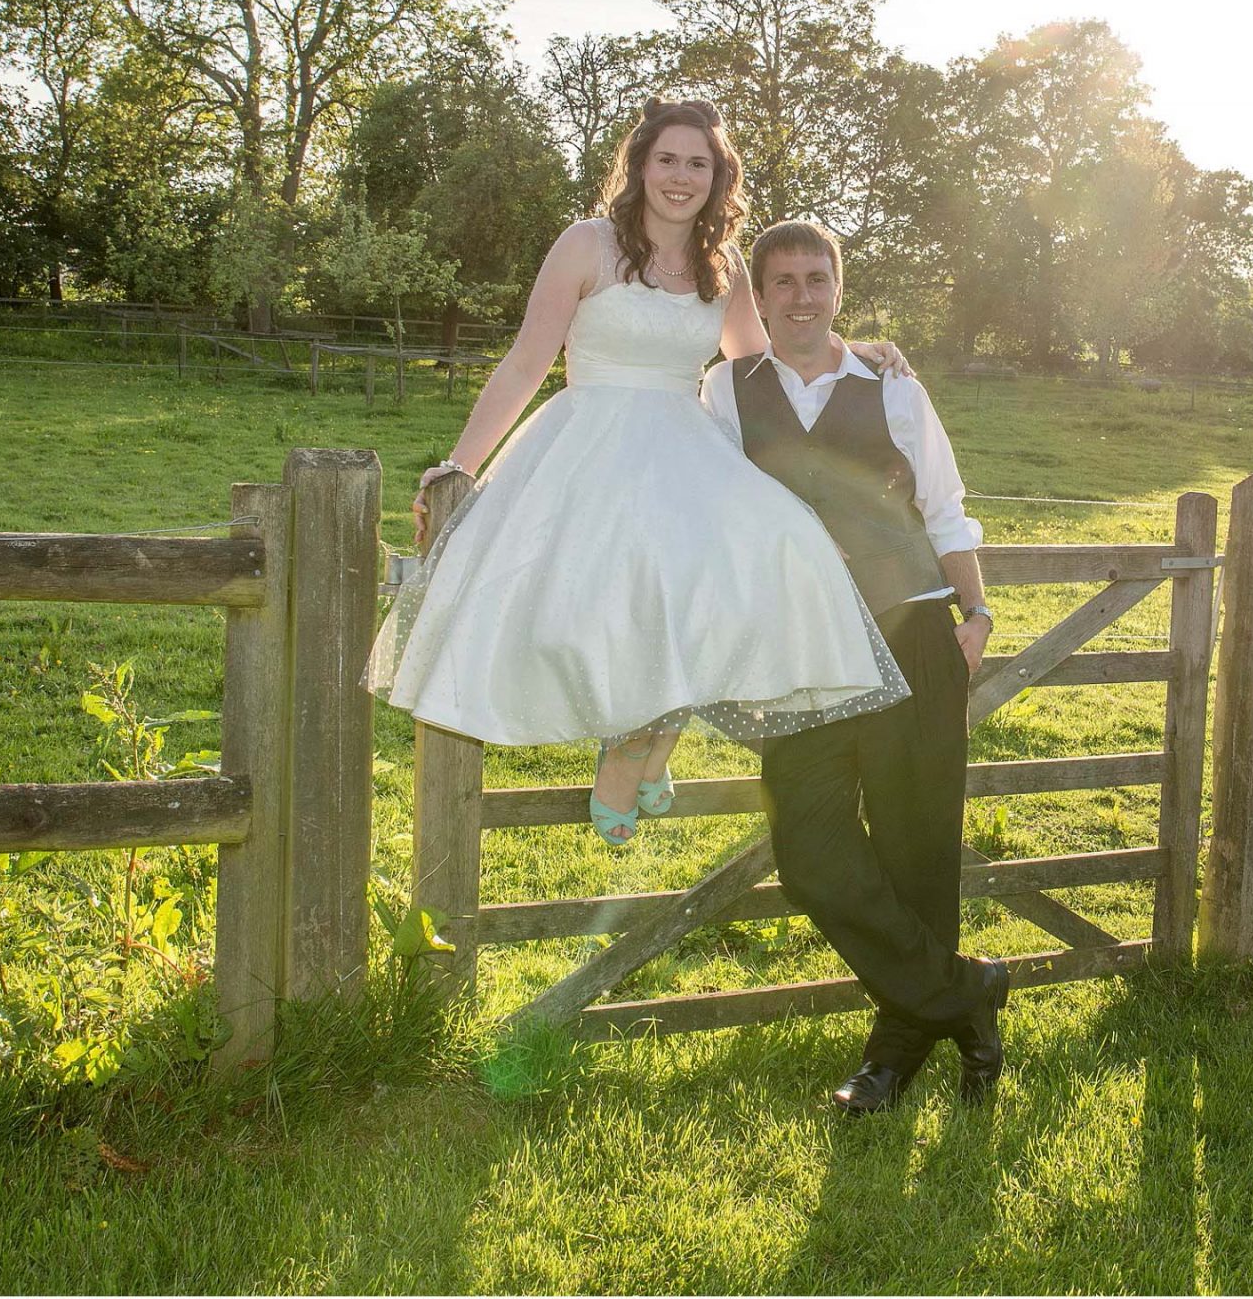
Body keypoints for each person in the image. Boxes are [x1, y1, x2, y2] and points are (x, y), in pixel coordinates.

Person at [362, 100, 917, 847]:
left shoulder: (720, 266)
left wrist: (857, 350)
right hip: (588, 443)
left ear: (718, 176)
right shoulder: (586, 245)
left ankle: (653, 740)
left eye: (699, 163)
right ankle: (629, 749)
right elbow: (528, 361)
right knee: (623, 595)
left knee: (767, 554)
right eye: (667, 160)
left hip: (686, 449)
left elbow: (768, 357)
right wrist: (461, 463)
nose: (681, 177)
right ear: (640, 165)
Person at [699, 219, 1010, 1114]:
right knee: (811, 852)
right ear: (757, 297)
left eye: (816, 278)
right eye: (783, 281)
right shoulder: (725, 392)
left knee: (918, 847)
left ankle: (893, 1053)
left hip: (911, 632)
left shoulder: (895, 390)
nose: (801, 296)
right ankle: (964, 993)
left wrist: (977, 611)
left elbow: (947, 510)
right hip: (799, 653)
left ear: (841, 286)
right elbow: (715, 519)